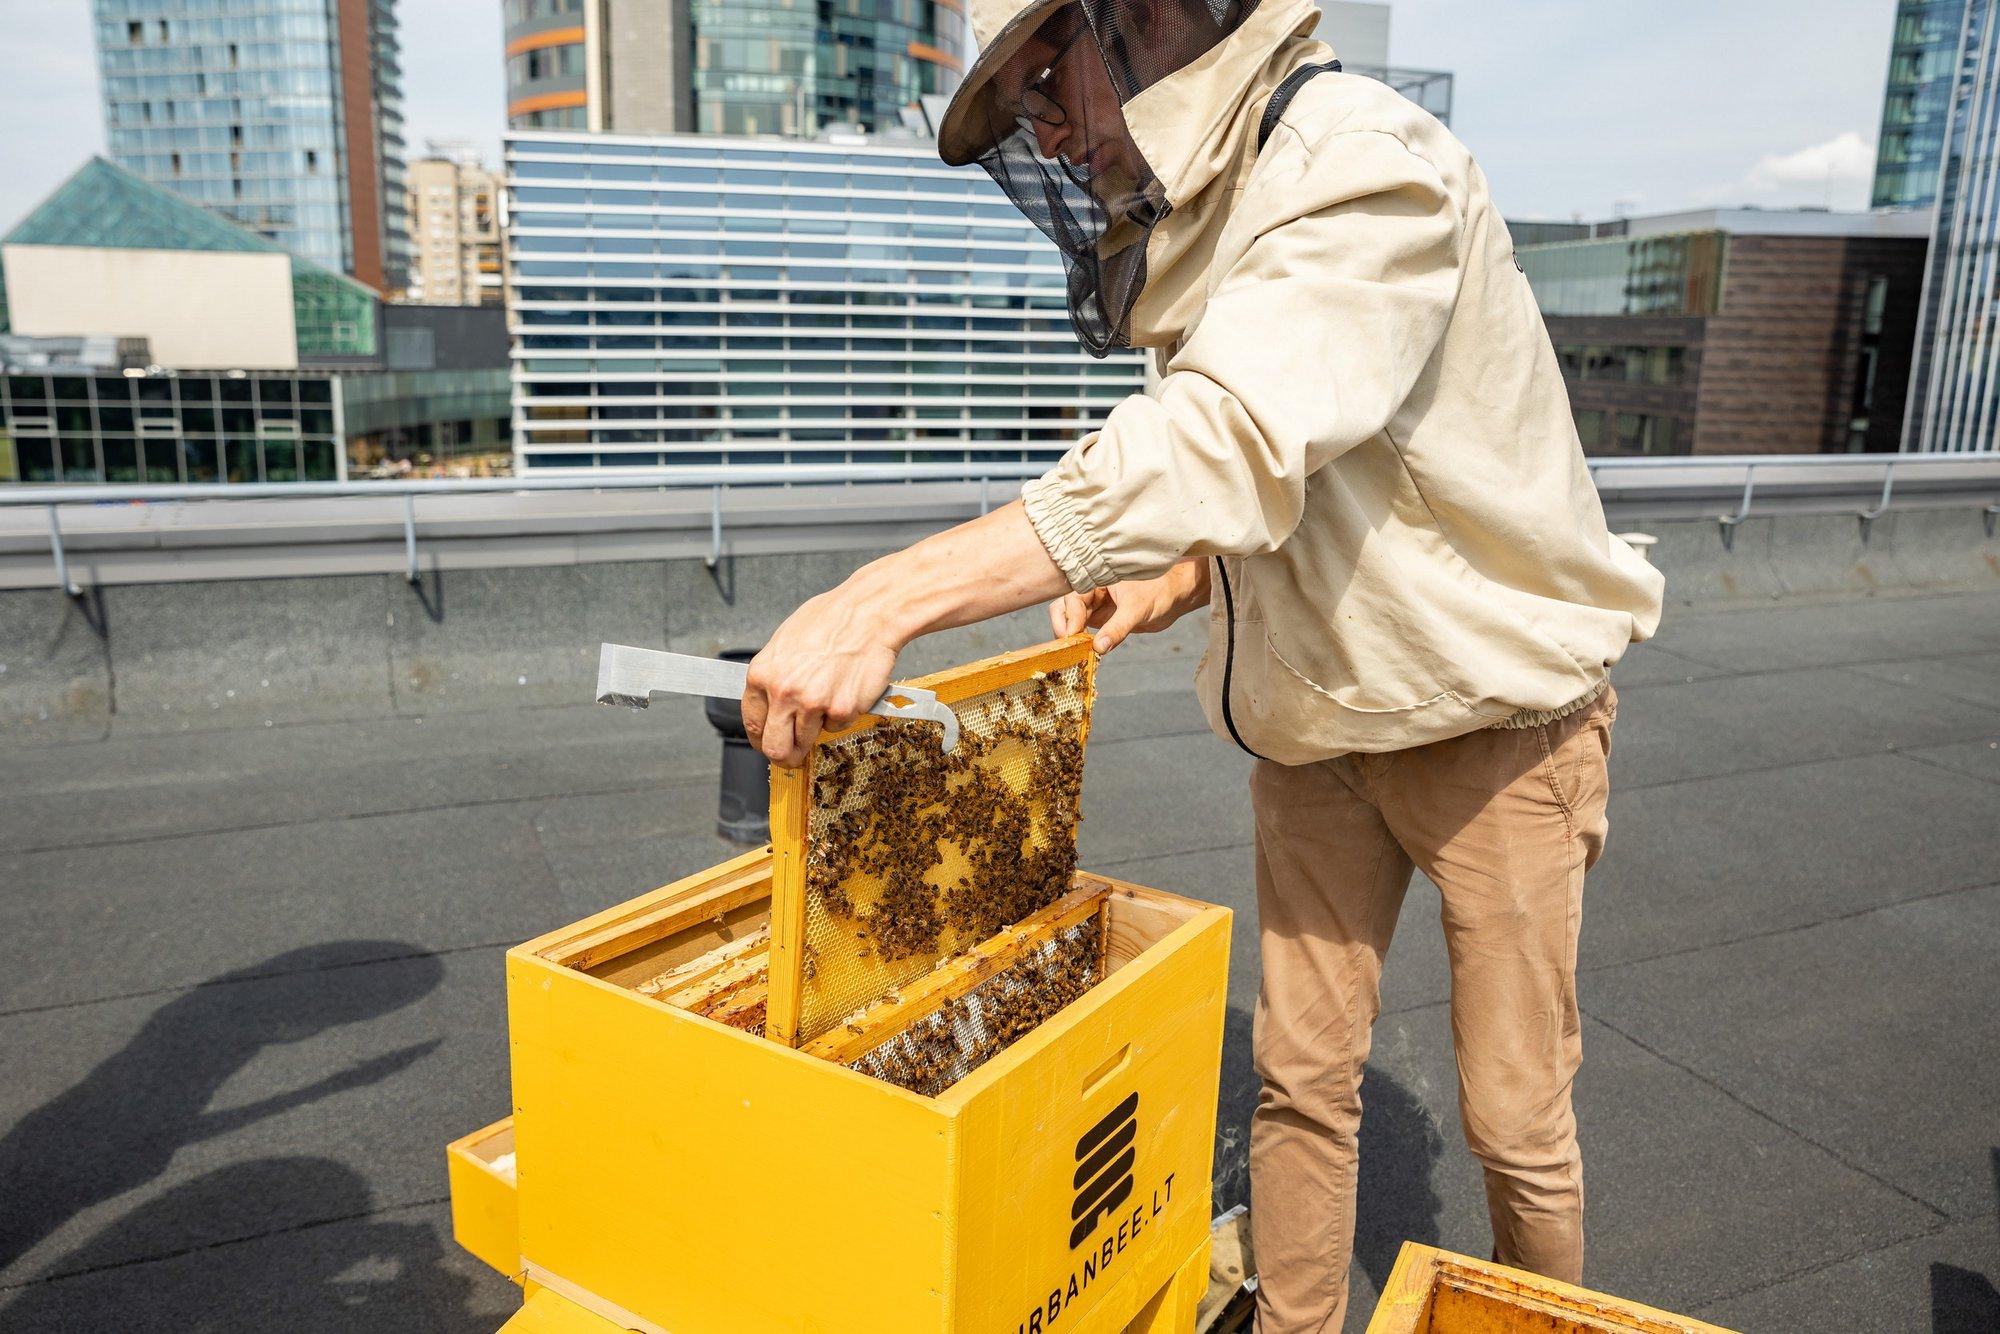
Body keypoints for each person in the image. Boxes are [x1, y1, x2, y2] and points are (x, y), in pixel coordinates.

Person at [741, 0, 1666, 1326]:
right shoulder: (1213, 213)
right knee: (1300, 1077)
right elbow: (1303, 482)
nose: (1045, 130)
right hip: (1316, 731)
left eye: (1046, 76)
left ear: (1151, 19)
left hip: (1497, 728)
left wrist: (893, 591)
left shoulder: (1362, 158)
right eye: (1018, 106)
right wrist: (1172, 575)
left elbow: (1231, 435)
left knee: (1515, 1111)